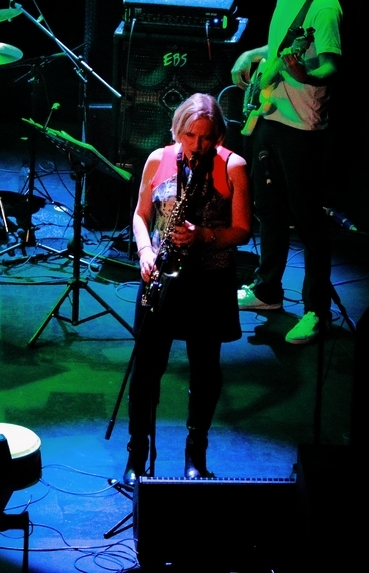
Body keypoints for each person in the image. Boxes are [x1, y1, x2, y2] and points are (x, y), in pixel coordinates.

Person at [124, 94, 251, 484]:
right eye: (191, 136)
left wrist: (205, 235)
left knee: (205, 372)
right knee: (145, 369)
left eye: (208, 137)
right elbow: (142, 214)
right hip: (161, 276)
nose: (199, 145)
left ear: (219, 135)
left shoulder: (233, 166)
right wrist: (145, 250)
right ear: (177, 131)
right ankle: (137, 455)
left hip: (209, 281)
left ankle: (195, 455)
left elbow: (244, 230)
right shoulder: (158, 159)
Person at [230, 0, 341, 345]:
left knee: (309, 220)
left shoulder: (325, 7)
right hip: (269, 117)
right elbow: (276, 48)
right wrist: (249, 53)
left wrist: (305, 74)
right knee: (269, 209)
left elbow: (332, 65)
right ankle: (267, 290)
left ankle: (317, 311)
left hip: (301, 127)